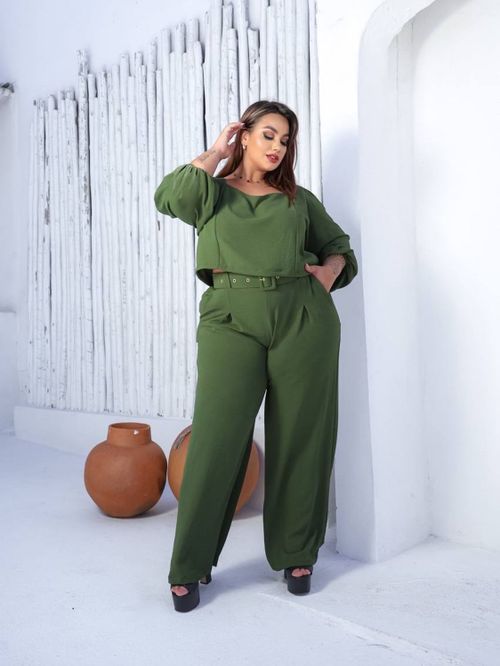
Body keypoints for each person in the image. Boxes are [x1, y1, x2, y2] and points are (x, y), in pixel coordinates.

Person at [154, 100, 358, 612]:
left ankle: (297, 554)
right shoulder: (211, 193)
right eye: (268, 134)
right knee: (216, 438)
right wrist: (214, 153)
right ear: (243, 135)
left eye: (285, 140)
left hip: (302, 318)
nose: (277, 147)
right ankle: (190, 563)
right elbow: (169, 197)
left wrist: (329, 273)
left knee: (302, 436)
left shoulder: (297, 201)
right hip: (230, 317)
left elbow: (340, 248)